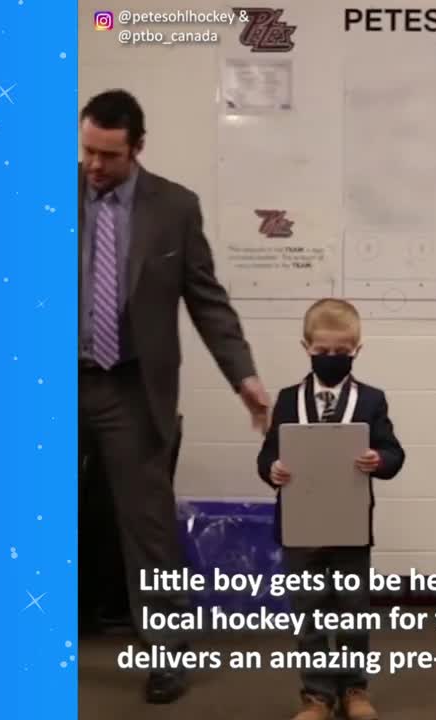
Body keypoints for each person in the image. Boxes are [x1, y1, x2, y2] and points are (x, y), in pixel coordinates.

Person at [78, 88, 271, 704]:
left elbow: (207, 301)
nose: (95, 166)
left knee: (150, 528)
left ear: (137, 148)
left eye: (108, 155)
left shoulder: (174, 207)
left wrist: (243, 376)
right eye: (87, 150)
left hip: (132, 387)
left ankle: (167, 654)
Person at [256, 298, 406, 720]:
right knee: (308, 614)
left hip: (349, 526)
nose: (332, 359)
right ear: (306, 346)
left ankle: (355, 689)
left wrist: (379, 460)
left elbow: (394, 452)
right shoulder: (287, 400)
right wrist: (274, 469)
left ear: (357, 349)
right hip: (300, 529)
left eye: (342, 353)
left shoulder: (371, 400)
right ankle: (318, 695)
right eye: (323, 352)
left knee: (354, 611)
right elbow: (266, 455)